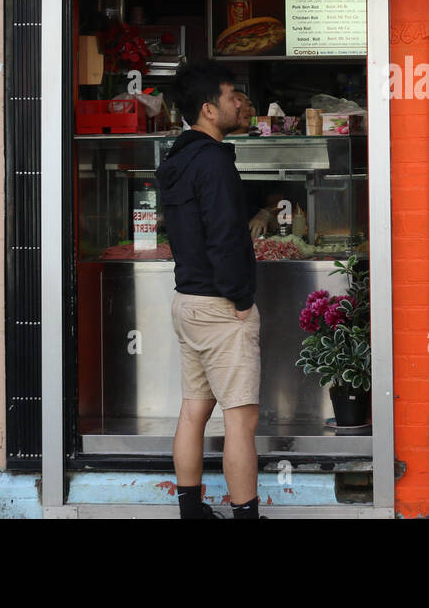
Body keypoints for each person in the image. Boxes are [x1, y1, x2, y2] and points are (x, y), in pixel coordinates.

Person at [156, 60, 262, 520]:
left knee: (194, 409)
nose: (239, 101)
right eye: (230, 96)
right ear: (208, 110)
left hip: (187, 302)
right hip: (221, 308)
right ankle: (245, 515)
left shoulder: (177, 159)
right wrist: (241, 300)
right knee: (241, 419)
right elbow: (225, 236)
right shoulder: (215, 160)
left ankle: (191, 512)